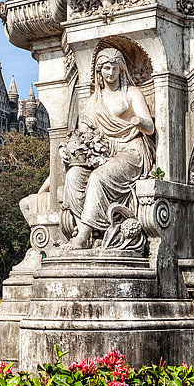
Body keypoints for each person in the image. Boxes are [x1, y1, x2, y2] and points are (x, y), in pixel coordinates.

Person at [62, 48, 156, 249]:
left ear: (121, 69)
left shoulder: (131, 93)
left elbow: (149, 128)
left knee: (98, 177)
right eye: (106, 67)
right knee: (73, 176)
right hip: (102, 153)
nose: (110, 72)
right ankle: (88, 230)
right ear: (99, 71)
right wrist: (72, 147)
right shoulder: (94, 100)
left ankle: (83, 236)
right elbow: (83, 134)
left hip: (132, 150)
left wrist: (138, 121)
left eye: (115, 67)